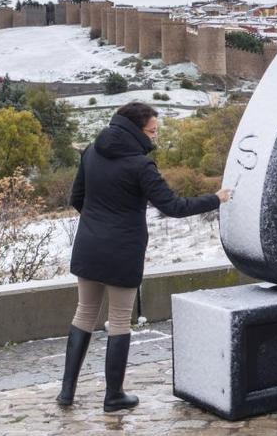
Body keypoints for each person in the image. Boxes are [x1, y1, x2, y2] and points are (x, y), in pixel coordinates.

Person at [56, 102, 231, 412]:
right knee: (120, 320)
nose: (156, 137)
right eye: (152, 131)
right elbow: (174, 207)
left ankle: (66, 393)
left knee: (84, 313)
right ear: (135, 130)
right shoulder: (140, 165)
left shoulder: (91, 152)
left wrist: (100, 224)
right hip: (122, 250)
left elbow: (76, 199)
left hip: (89, 245)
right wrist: (215, 199)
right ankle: (113, 396)